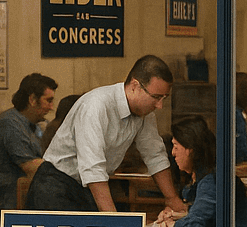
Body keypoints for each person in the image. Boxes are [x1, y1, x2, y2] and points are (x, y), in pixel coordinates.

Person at [25, 54, 187, 216]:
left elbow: (155, 155)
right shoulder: (96, 106)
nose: (159, 106)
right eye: (156, 97)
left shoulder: (145, 113)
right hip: (55, 186)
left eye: (164, 98)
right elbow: (93, 168)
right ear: (135, 86)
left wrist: (171, 198)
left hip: (85, 187)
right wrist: (113, 220)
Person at [0, 72, 57, 224]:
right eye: (48, 101)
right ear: (32, 99)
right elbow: (31, 167)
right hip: (5, 200)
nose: (51, 107)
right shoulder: (10, 124)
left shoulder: (33, 126)